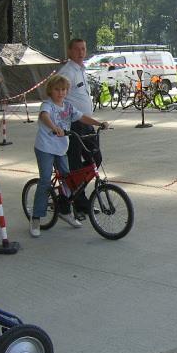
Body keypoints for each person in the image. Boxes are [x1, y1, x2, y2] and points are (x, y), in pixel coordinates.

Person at [30, 74, 108, 238]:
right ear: (50, 90)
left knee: (68, 180)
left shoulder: (68, 107)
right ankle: (36, 218)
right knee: (45, 180)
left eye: (64, 89)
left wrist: (99, 123)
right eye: (57, 89)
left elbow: (82, 117)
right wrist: (54, 127)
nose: (61, 92)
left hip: (60, 149)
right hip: (45, 148)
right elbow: (44, 116)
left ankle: (65, 212)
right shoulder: (48, 105)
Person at [59, 38, 102, 221]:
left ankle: (70, 193)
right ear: (69, 51)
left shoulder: (81, 70)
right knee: (76, 165)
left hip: (86, 123)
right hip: (74, 125)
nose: (81, 52)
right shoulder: (67, 72)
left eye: (83, 49)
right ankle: (78, 203)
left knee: (95, 159)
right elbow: (59, 99)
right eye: (77, 49)